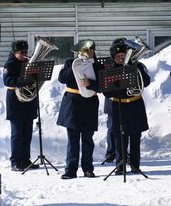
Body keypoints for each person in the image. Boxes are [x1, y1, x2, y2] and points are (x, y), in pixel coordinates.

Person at [103, 38, 151, 174]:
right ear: (113, 57)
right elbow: (106, 92)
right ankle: (120, 165)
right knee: (120, 138)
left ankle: (135, 165)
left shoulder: (137, 65)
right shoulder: (110, 69)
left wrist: (134, 68)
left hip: (135, 106)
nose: (121, 58)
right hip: (119, 107)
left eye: (123, 55)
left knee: (135, 137)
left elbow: (146, 82)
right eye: (118, 56)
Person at [57, 39, 102, 179]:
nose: (88, 53)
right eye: (86, 50)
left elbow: (102, 86)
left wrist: (90, 83)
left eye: (90, 50)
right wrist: (76, 67)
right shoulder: (71, 62)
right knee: (73, 139)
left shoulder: (98, 65)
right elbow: (62, 78)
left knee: (88, 139)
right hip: (73, 104)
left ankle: (88, 169)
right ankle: (70, 170)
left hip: (89, 103)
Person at [3, 40, 39, 171]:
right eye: (21, 52)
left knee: (27, 133)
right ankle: (15, 161)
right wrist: (22, 81)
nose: (24, 54)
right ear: (14, 52)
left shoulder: (28, 63)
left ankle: (25, 159)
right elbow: (7, 81)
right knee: (17, 134)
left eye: (25, 52)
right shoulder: (10, 64)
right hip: (15, 102)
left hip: (28, 102)